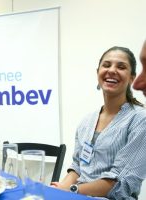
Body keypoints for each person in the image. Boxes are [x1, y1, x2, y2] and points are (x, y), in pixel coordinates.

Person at [51, 46, 146, 199]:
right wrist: (60, 189)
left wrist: (72, 190)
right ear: (98, 73)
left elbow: (119, 182)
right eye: (106, 65)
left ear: (132, 78)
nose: (112, 70)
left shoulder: (140, 120)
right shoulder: (86, 121)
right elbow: (77, 167)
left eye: (121, 67)